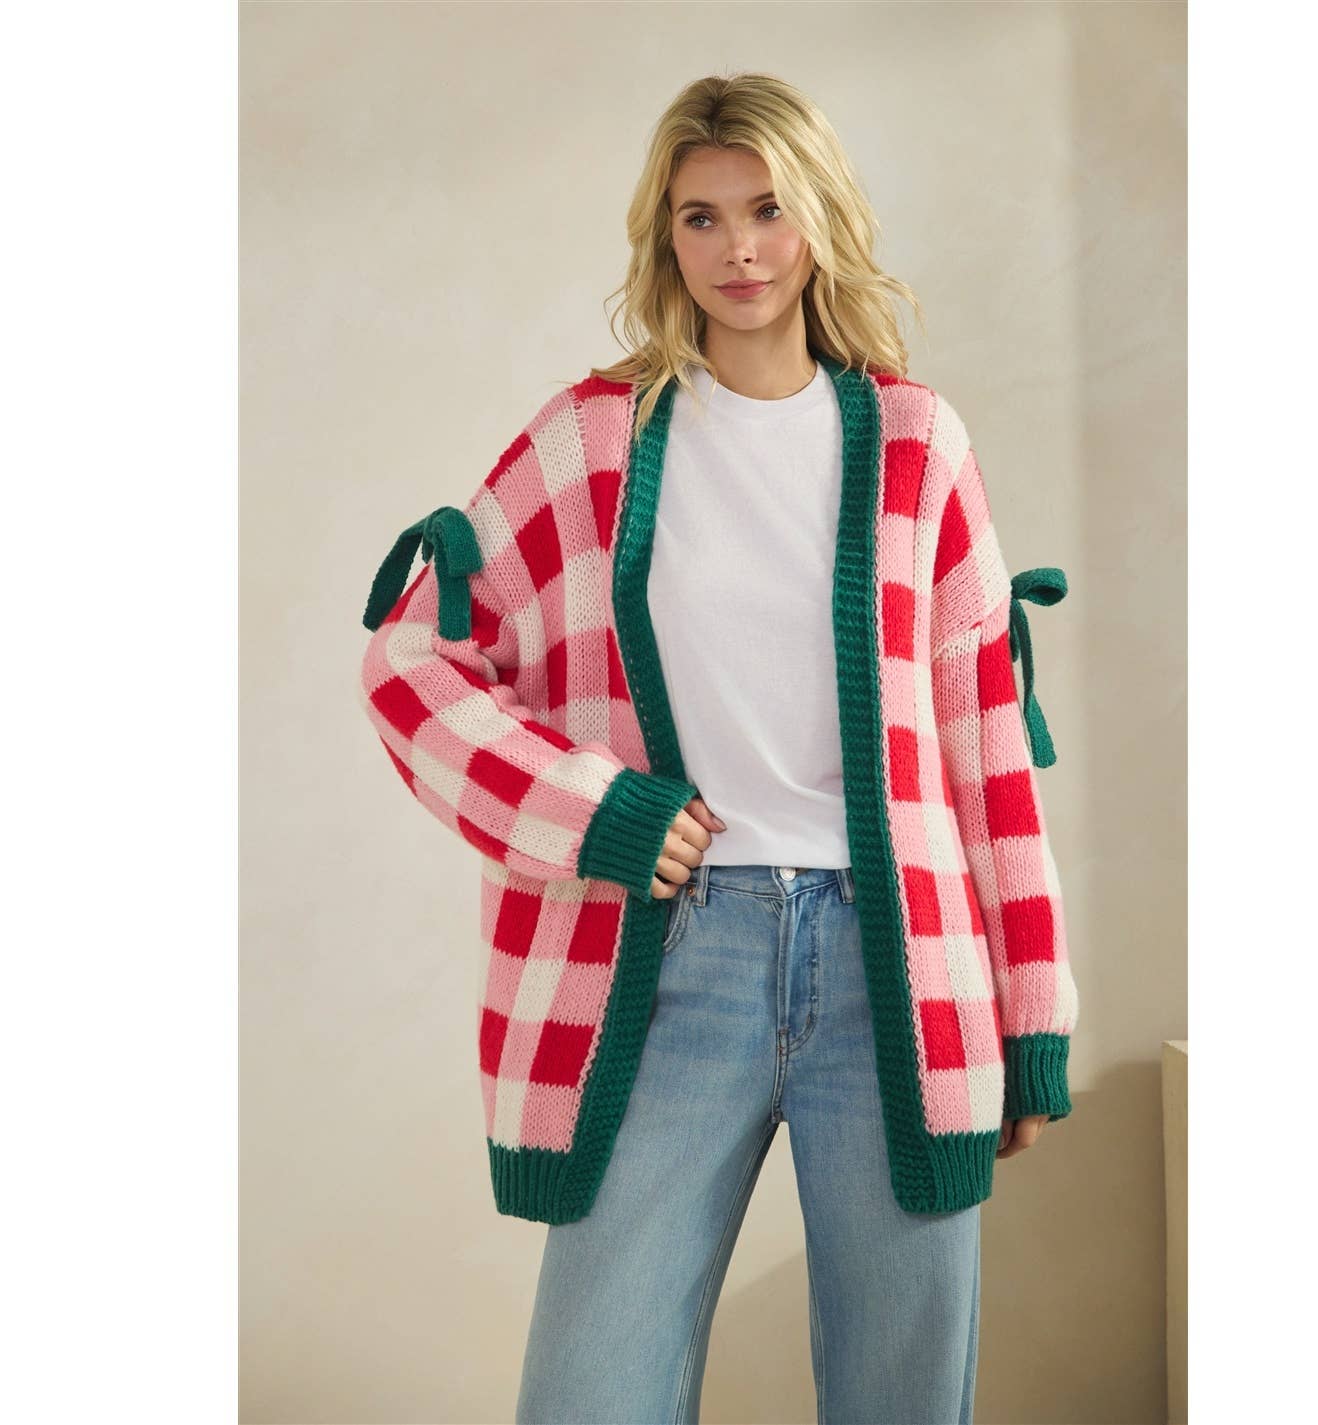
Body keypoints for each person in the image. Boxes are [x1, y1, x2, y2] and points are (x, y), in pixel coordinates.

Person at [358, 71, 1078, 1425]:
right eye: (701, 216)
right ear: (664, 236)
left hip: (894, 970)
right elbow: (410, 661)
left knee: (901, 1399)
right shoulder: (589, 444)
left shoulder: (917, 444)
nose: (738, 248)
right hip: (674, 959)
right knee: (590, 1394)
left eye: (766, 209)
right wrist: (598, 811)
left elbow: (986, 746)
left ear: (819, 220)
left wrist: (1031, 1017)